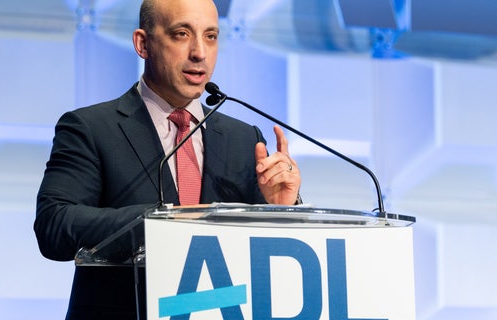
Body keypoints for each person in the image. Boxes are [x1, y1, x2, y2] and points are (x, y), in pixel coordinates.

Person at [34, 0, 302, 318]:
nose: (200, 52)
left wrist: (283, 209)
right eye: (181, 34)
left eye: (211, 36)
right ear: (143, 43)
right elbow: (54, 226)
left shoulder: (244, 139)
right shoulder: (90, 128)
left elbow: (272, 262)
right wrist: (160, 223)